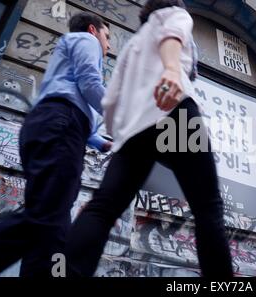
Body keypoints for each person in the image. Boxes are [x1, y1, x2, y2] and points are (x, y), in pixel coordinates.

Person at [64, 0, 233, 277]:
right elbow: (173, 36)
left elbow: (110, 101)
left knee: (103, 207)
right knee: (208, 208)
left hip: (134, 131)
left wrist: (121, 135)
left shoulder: (132, 46)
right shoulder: (174, 15)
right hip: (174, 112)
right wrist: (170, 69)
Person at [0, 12, 111, 277]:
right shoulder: (87, 41)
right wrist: (122, 117)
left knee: (54, 226)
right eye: (107, 37)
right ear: (93, 30)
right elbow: (89, 83)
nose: (109, 45)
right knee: (47, 217)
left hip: (55, 125)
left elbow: (70, 98)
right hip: (61, 126)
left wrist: (99, 142)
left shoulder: (66, 55)